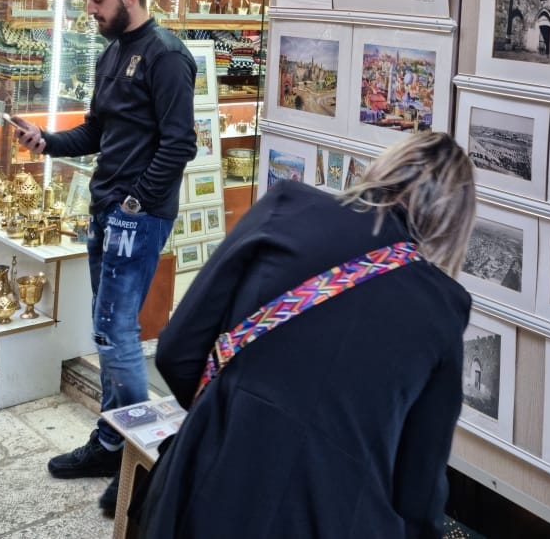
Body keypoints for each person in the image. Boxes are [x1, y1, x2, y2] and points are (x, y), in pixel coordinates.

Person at [136, 132, 476, 539]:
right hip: (340, 515)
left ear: (385, 167)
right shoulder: (443, 306)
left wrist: (228, 419)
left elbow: (177, 350)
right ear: (454, 222)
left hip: (213, 483)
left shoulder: (289, 207)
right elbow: (419, 481)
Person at [8, 0, 196, 516]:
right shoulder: (111, 51)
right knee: (107, 331)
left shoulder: (167, 57)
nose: (88, 10)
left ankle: (142, 460)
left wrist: (135, 202)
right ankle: (112, 442)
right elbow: (98, 129)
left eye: (97, 0)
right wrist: (47, 140)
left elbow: (179, 143)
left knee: (115, 335)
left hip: (135, 217)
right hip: (106, 207)